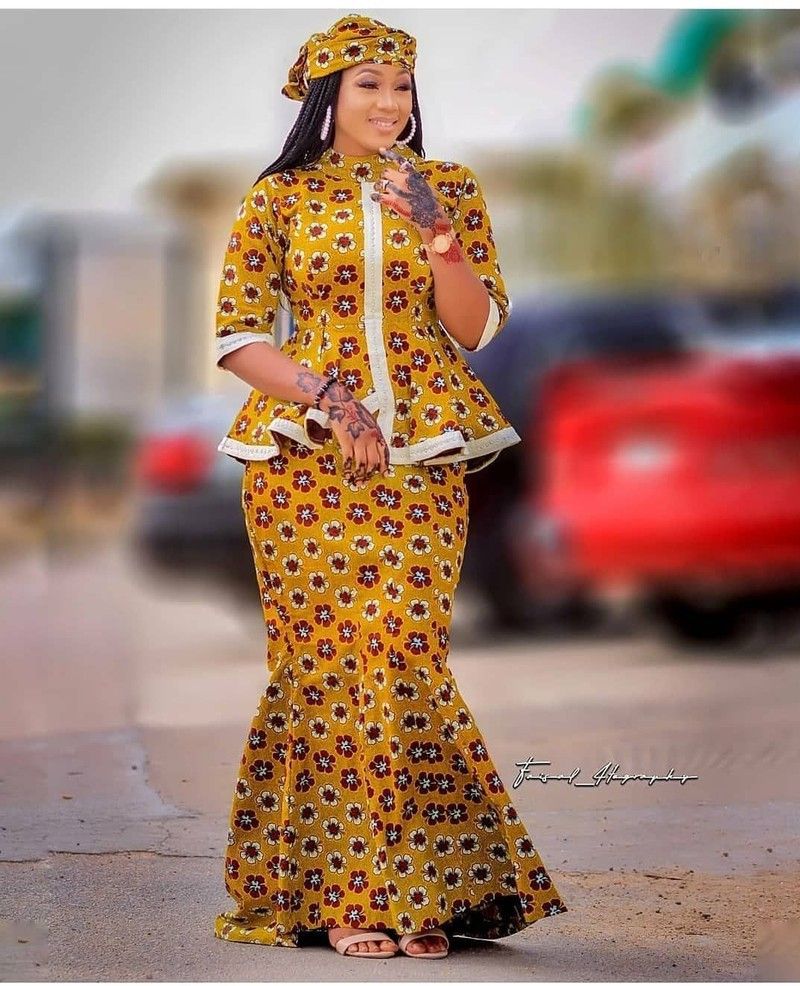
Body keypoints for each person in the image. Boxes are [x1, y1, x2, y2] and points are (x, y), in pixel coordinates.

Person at [212, 12, 568, 960]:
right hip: (302, 463)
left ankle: (421, 887)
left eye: (401, 85)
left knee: (405, 655)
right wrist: (332, 400)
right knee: (327, 665)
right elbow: (238, 337)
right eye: (367, 84)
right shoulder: (279, 198)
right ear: (327, 99)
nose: (389, 102)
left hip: (425, 453)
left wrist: (437, 233)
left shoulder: (450, 188)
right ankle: (346, 896)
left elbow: (476, 327)